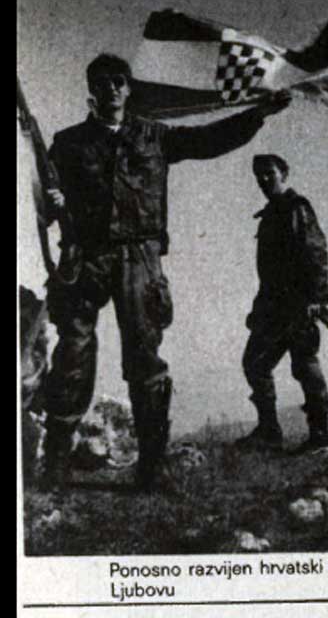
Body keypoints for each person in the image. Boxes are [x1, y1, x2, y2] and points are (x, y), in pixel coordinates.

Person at [43, 54, 291, 491]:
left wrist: (258, 113)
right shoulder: (67, 143)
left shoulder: (154, 135)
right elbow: (43, 200)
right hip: (86, 257)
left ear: (128, 87)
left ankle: (152, 467)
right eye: (102, 82)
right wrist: (53, 201)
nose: (112, 88)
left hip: (140, 257)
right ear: (92, 89)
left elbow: (210, 139)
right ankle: (57, 462)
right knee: (72, 353)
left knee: (145, 358)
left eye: (119, 81)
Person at [235, 154, 328, 454]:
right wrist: (258, 308)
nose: (263, 179)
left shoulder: (296, 207)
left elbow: (315, 252)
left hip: (299, 303)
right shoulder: (271, 214)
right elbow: (269, 273)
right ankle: (269, 431)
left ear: (284, 174)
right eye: (258, 175)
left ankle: (319, 436)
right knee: (255, 363)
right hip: (273, 307)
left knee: (304, 364)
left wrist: (314, 297)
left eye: (269, 173)